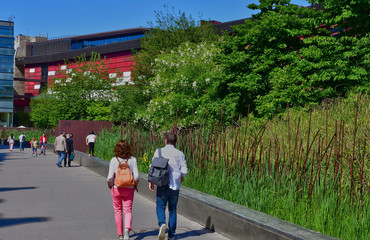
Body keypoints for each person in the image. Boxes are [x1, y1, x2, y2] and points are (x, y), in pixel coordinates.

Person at [148, 132, 188, 240]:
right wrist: (180, 177)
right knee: (172, 209)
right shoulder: (180, 154)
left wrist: (150, 181)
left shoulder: (159, 151)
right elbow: (184, 171)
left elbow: (152, 167)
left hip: (162, 184)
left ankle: (162, 224)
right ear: (176, 142)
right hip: (175, 186)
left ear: (165, 141)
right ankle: (171, 235)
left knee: (160, 206)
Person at [107, 140, 139, 240]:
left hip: (116, 188)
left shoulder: (114, 160)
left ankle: (120, 235)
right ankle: (127, 229)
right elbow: (137, 176)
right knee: (128, 210)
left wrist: (110, 186)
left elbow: (109, 177)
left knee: (117, 211)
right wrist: (134, 186)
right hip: (129, 189)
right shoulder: (132, 159)